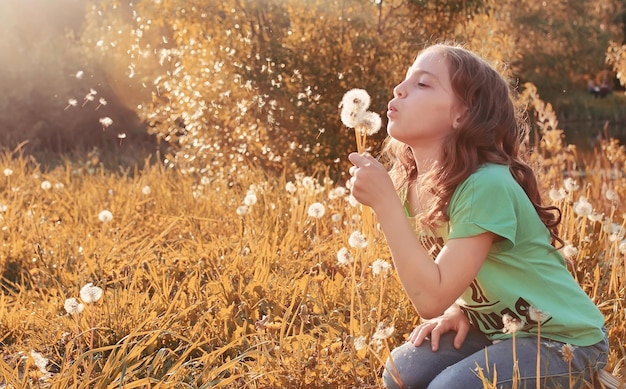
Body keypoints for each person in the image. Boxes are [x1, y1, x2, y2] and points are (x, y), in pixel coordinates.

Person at [347, 43, 608, 388]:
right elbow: (452, 275)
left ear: (463, 115)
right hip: (498, 327)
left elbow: (430, 298)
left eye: (423, 84)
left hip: (563, 338)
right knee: (401, 373)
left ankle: (589, 379)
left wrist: (385, 206)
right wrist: (462, 309)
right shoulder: (410, 183)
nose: (399, 89)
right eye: (405, 80)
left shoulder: (486, 183)